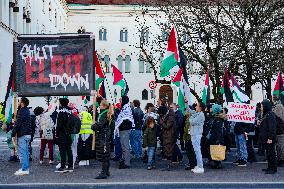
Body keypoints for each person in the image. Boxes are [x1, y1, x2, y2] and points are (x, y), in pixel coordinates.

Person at [92, 100, 113, 179]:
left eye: (100, 105)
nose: (99, 106)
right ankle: (106, 171)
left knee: (104, 154)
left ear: (104, 106)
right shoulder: (105, 113)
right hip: (104, 135)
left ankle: (103, 172)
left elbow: (100, 125)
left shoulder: (105, 114)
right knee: (106, 154)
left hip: (103, 136)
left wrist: (93, 126)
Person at [11, 97, 32, 176]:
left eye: (19, 101)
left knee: (23, 153)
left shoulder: (22, 111)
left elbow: (17, 124)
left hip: (23, 134)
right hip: (28, 134)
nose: (18, 102)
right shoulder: (27, 110)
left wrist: (13, 133)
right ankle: (25, 168)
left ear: (22, 102)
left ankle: (24, 169)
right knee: (26, 152)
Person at [114, 96, 135, 169]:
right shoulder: (124, 108)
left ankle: (127, 163)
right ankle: (125, 160)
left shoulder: (126, 108)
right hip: (123, 130)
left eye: (121, 99)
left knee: (125, 146)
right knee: (123, 146)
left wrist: (120, 125)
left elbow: (126, 119)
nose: (120, 101)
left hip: (125, 130)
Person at [55, 98, 73, 173]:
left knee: (62, 150)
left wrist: (57, 133)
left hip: (62, 133)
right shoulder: (69, 111)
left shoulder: (61, 112)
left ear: (61, 103)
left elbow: (59, 124)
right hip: (69, 133)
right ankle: (70, 166)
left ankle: (62, 166)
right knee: (69, 150)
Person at [259, 99, 277, 174]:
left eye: (262, 106)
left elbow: (272, 127)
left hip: (269, 138)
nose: (261, 107)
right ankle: (270, 167)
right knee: (268, 153)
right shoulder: (267, 114)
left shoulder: (270, 114)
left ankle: (273, 168)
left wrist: (270, 138)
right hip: (266, 138)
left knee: (271, 153)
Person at [188, 101, 206, 174]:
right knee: (196, 150)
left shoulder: (201, 115)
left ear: (200, 107)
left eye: (197, 106)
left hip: (196, 134)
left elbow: (192, 122)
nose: (195, 107)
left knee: (197, 150)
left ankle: (201, 167)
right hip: (194, 133)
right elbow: (190, 111)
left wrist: (190, 116)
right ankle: (198, 165)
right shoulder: (197, 113)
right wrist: (186, 103)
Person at [208, 104, 225, 169]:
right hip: (214, 137)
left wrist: (218, 140)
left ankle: (217, 163)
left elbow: (218, 131)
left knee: (216, 149)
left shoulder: (218, 119)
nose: (211, 109)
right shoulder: (215, 117)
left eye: (212, 108)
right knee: (215, 149)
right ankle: (216, 163)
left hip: (216, 138)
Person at [160, 106, 176, 171]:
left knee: (168, 150)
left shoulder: (170, 116)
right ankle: (169, 165)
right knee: (168, 150)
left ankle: (169, 166)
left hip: (169, 135)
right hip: (168, 135)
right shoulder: (170, 115)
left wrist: (162, 122)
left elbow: (167, 126)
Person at [272, 95, 284, 166]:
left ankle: (281, 160)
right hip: (279, 128)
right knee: (279, 146)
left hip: (280, 129)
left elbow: (278, 118)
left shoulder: (278, 106)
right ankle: (280, 159)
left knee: (280, 146)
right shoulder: (278, 106)